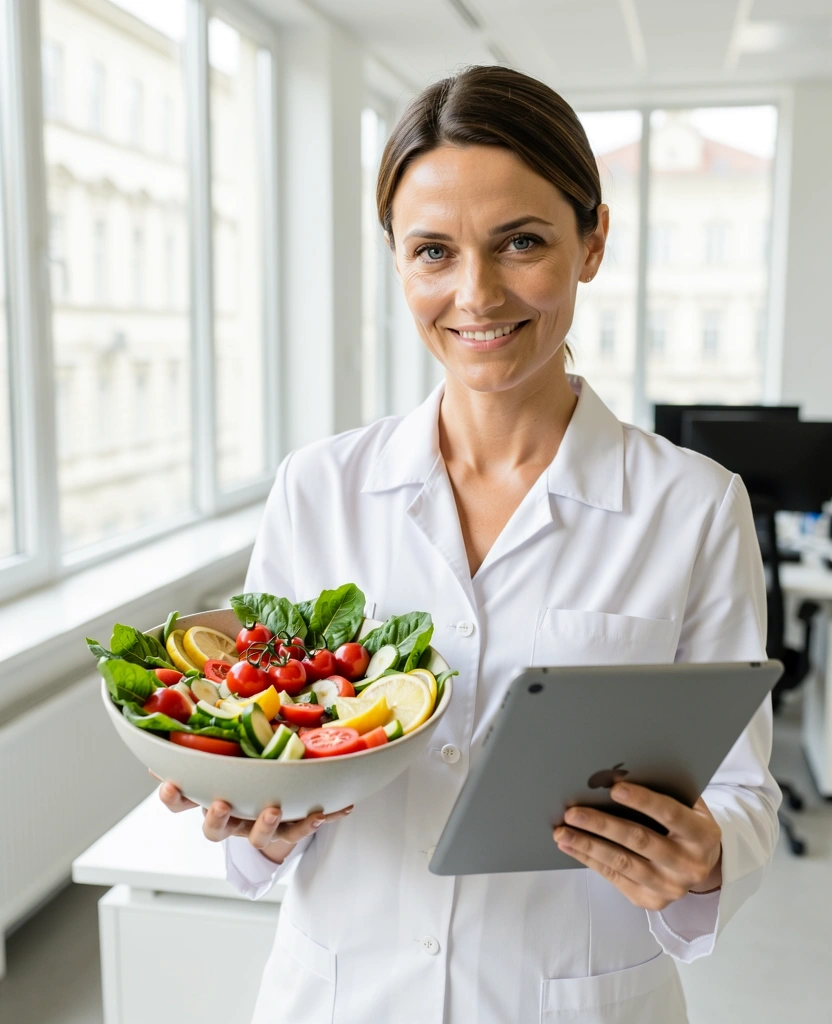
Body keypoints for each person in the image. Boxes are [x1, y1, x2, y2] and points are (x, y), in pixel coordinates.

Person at [159, 66, 779, 1023]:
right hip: (342, 994)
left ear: (593, 242)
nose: (476, 294)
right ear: (400, 262)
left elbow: (742, 790)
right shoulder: (319, 490)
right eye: (433, 251)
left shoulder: (693, 507)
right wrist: (253, 817)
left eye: (521, 242)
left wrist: (704, 862)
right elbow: (264, 779)